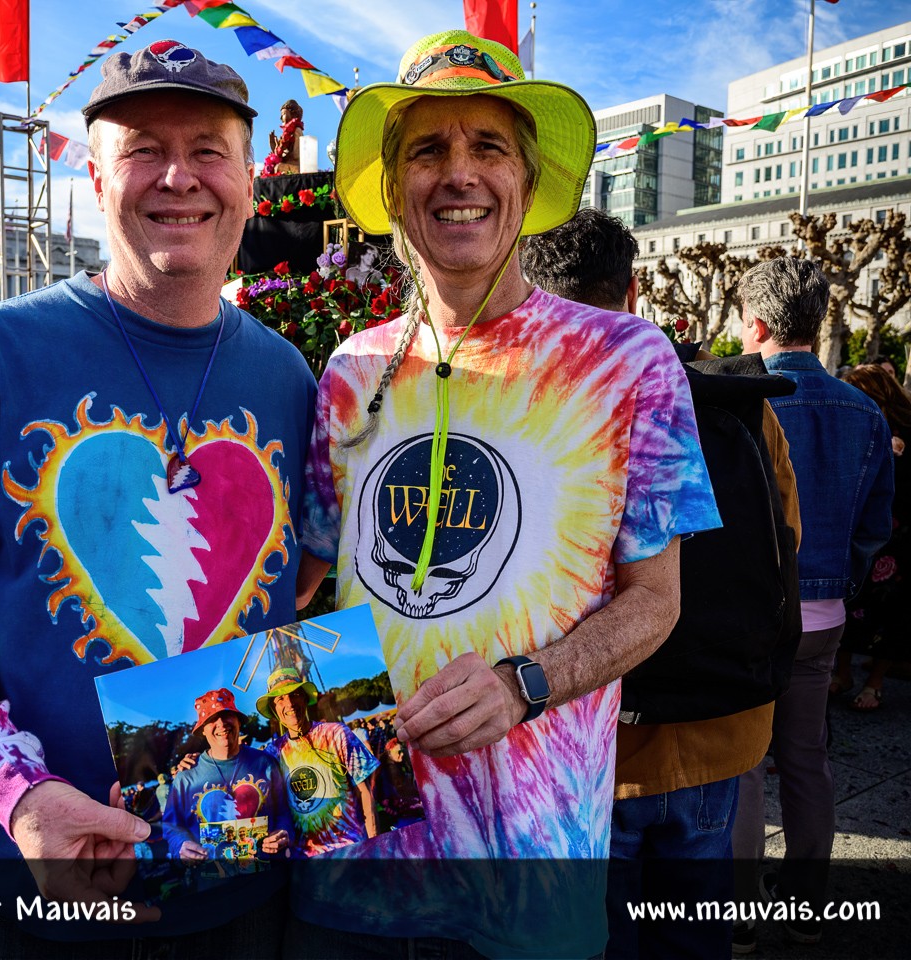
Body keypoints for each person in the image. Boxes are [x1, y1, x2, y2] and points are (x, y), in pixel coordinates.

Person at [0, 40, 316, 956]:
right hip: (16, 883)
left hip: (236, 882)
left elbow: (295, 600)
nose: (180, 177)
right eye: (142, 149)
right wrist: (19, 794)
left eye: (209, 148)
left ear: (250, 177)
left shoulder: (287, 376)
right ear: (94, 177)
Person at [295, 29, 721, 958]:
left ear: (527, 186)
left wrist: (530, 683)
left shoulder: (625, 362)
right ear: (395, 189)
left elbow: (657, 601)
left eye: (487, 147)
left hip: (532, 863)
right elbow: (309, 586)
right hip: (364, 854)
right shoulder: (349, 370)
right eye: (427, 151)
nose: (459, 174)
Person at [522, 207, 802, 960]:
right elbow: (789, 538)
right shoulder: (736, 402)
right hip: (718, 724)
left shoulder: (541, 412)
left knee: (596, 938)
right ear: (635, 288)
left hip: (595, 740)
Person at [732, 257, 894, 948]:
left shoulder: (742, 403)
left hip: (751, 614)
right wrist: (842, 585)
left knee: (738, 765)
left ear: (759, 324)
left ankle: (737, 916)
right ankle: (807, 905)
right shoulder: (865, 409)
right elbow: (875, 525)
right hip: (824, 615)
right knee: (807, 759)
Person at [832, 364, 911, 712]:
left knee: (889, 606)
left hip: (899, 535)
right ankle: (844, 672)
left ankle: (875, 682)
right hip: (860, 526)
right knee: (851, 599)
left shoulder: (905, 429)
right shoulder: (859, 420)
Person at [161, 689, 290, 871]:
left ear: (238, 721)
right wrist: (180, 846)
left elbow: (284, 812)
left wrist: (283, 832)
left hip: (267, 878)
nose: (221, 723)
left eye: (226, 715)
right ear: (203, 730)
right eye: (212, 719)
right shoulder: (186, 777)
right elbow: (171, 826)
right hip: (214, 886)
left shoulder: (265, 764)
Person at [256, 668, 378, 856]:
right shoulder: (273, 753)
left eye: (294, 694)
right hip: (306, 859)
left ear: (305, 698)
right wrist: (196, 761)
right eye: (280, 699)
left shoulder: (337, 734)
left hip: (352, 849)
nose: (289, 702)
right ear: (274, 709)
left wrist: (375, 844)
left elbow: (365, 792)